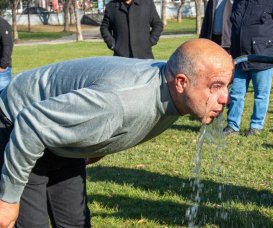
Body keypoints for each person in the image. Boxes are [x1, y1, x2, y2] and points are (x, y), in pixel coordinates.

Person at [0, 38, 234, 227]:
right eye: (215, 86)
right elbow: (31, 123)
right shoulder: (119, 103)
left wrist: (97, 144)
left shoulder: (175, 90)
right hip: (19, 126)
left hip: (59, 137)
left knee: (75, 222)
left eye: (227, 86)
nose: (225, 98)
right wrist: (7, 200)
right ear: (181, 83)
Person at [223, 0, 273, 136]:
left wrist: (266, 40)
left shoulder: (272, 2)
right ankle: (232, 125)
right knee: (236, 93)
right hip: (239, 56)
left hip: (262, 55)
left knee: (261, 95)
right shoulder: (239, 2)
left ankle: (256, 126)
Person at [0, 17, 12, 92]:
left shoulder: (2, 23)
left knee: (3, 99)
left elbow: (7, 45)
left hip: (2, 72)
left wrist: (2, 66)